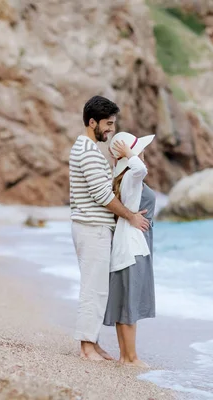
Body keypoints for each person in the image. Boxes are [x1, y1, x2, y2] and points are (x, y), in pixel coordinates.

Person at [69, 96, 149, 361]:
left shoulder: (87, 149)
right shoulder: (88, 152)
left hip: (93, 226)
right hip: (91, 228)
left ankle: (93, 343)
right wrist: (130, 216)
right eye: (108, 124)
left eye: (113, 124)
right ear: (92, 122)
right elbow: (102, 195)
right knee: (93, 288)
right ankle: (85, 348)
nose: (111, 129)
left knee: (98, 288)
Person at [103, 131, 157, 368]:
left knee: (125, 301)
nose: (143, 153)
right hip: (132, 246)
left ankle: (126, 356)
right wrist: (130, 154)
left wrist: (128, 155)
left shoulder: (122, 178)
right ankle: (131, 358)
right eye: (140, 149)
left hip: (131, 244)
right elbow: (140, 169)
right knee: (130, 303)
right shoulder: (131, 177)